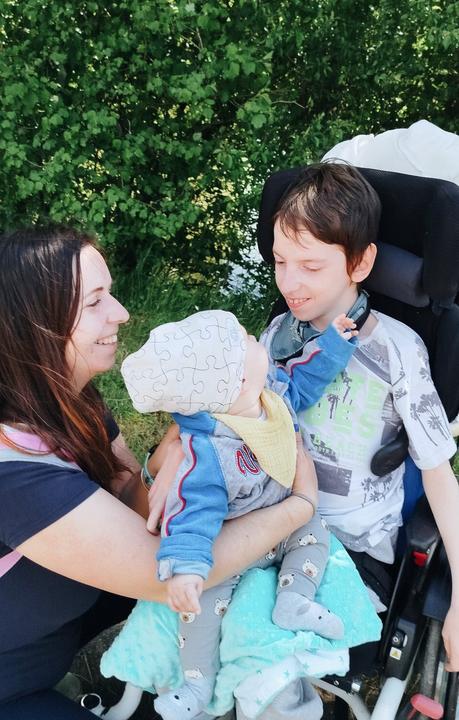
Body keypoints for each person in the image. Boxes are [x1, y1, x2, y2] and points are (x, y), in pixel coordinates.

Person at [0, 226, 319, 720]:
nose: (121, 313)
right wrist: (299, 508)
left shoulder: (71, 400)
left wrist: (172, 456)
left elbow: (134, 497)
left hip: (55, 630)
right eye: (95, 302)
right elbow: (166, 574)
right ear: (33, 325)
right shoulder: (16, 474)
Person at [120, 307, 358, 720]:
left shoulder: (273, 395)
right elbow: (191, 513)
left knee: (315, 532)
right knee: (200, 608)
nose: (254, 339)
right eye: (247, 340)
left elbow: (308, 378)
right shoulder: (210, 452)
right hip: (232, 544)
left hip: (283, 525)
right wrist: (188, 570)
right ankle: (196, 683)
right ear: (238, 379)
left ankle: (294, 598)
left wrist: (334, 343)